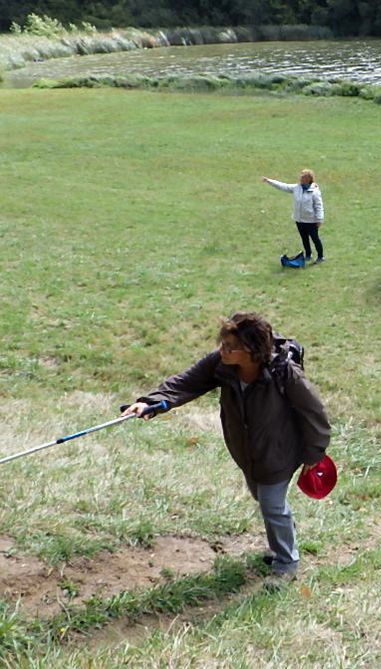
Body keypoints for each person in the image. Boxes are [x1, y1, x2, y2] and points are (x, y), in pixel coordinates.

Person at [124, 312, 331, 582]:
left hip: (277, 450)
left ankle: (287, 563)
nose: (223, 349)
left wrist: (315, 454)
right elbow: (187, 381)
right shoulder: (222, 364)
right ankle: (283, 541)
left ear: (253, 352)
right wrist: (150, 401)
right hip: (246, 450)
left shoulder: (285, 373)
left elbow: (314, 412)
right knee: (264, 498)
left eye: (231, 347)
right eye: (223, 343)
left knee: (271, 504)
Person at [262, 170, 324, 264]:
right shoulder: (296, 188)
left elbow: (318, 206)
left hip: (311, 221)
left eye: (302, 178)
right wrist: (269, 181)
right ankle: (308, 254)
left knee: (315, 238)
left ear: (308, 179)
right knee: (304, 238)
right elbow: (283, 186)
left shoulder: (314, 192)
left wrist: (319, 219)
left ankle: (320, 256)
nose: (300, 179)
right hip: (299, 220)